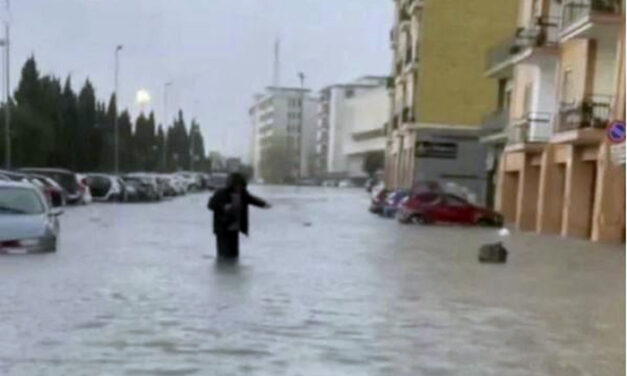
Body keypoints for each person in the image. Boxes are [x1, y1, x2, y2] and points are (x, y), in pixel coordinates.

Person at [207, 172, 270, 259]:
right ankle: (224, 269)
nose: (238, 188)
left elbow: (252, 199)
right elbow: (210, 205)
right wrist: (223, 207)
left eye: (240, 186)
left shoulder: (243, 194)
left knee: (234, 255)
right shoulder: (221, 193)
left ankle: (231, 268)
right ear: (231, 185)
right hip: (223, 229)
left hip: (235, 228)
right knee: (223, 255)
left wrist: (264, 204)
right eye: (237, 186)